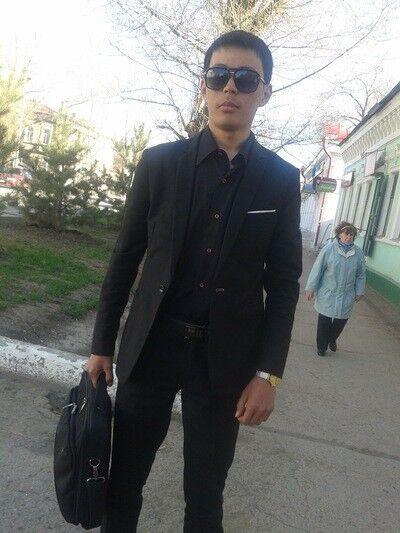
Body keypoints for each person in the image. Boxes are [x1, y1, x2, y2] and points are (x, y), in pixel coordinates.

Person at [86, 30, 302, 532]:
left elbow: (284, 283)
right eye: (218, 75)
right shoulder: (160, 164)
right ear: (203, 87)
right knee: (123, 483)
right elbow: (125, 258)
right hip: (152, 346)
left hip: (225, 360)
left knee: (205, 497)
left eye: (245, 78)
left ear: (264, 92)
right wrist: (101, 345)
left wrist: (268, 375)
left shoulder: (280, 178)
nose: (230, 87)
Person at [305, 221, 366, 357]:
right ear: (339, 234)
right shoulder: (329, 249)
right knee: (324, 322)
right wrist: (310, 288)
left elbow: (361, 274)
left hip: (346, 294)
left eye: (351, 235)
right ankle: (321, 347)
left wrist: (359, 291)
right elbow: (317, 269)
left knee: (341, 321)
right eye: (346, 234)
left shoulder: (358, 253)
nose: (348, 237)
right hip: (328, 292)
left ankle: (332, 339)